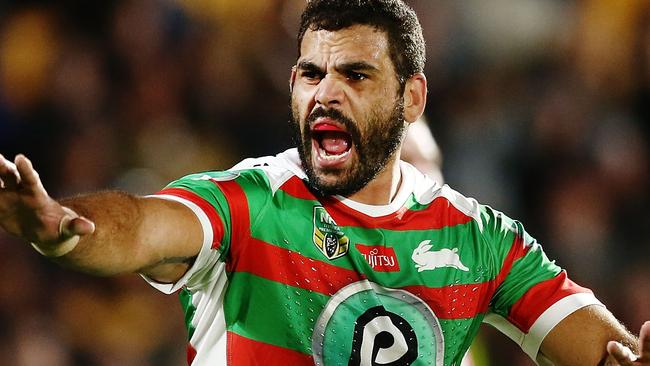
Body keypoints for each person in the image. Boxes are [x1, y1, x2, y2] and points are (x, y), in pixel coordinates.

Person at [0, 0, 648, 365]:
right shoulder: (251, 204)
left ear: (411, 99)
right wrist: (61, 228)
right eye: (312, 74)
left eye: (356, 77)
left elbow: (604, 351)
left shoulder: (481, 242)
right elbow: (139, 224)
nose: (325, 95)